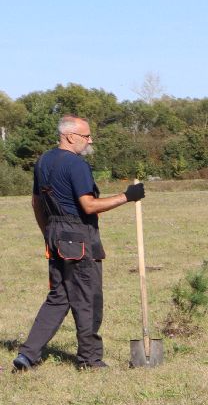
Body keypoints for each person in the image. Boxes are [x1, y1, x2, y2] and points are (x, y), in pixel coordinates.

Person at [13, 116, 145, 372]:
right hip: (78, 235)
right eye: (86, 136)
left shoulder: (43, 162)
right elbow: (88, 205)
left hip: (54, 232)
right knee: (88, 297)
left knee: (59, 297)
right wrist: (126, 196)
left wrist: (48, 234)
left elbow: (36, 203)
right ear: (70, 136)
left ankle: (27, 356)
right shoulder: (76, 165)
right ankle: (90, 360)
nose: (90, 140)